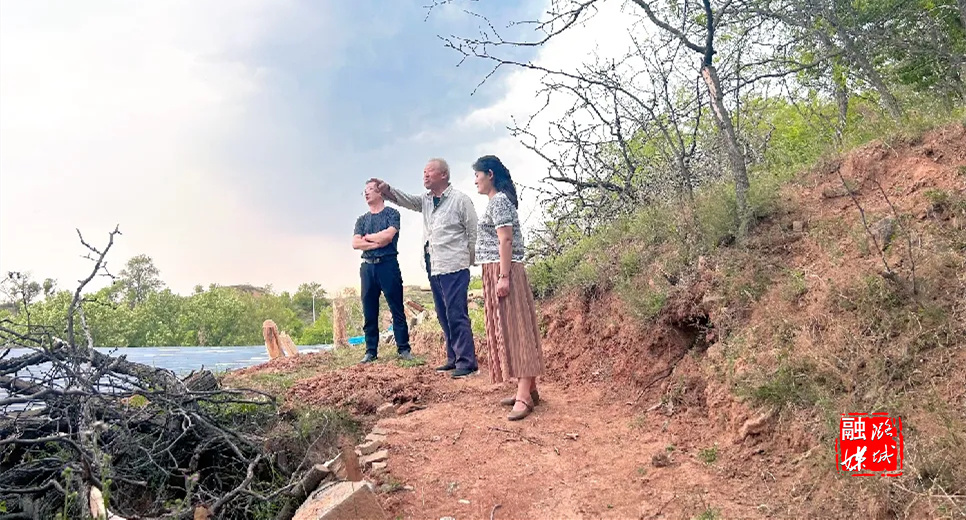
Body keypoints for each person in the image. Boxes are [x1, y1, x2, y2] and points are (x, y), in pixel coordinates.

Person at [369, 158, 479, 378]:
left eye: (429, 172)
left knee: (456, 313)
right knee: (443, 313)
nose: (425, 175)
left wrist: (468, 259)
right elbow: (406, 200)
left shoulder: (460, 200)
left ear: (443, 175)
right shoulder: (427, 201)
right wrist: (387, 190)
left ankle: (467, 362)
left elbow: (473, 232)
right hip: (434, 264)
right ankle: (453, 358)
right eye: (423, 172)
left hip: (454, 264)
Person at [472, 155, 545, 421]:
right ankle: (529, 389)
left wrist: (503, 277)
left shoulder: (499, 201)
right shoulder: (497, 201)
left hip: (505, 269)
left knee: (517, 330)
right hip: (497, 269)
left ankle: (524, 395)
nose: (475, 181)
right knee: (512, 328)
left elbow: (506, 240)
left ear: (490, 174)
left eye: (477, 175)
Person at [352, 180, 413, 364]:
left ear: (380, 193)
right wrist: (376, 242)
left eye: (370, 189)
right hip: (367, 267)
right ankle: (371, 351)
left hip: (388, 265)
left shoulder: (392, 214)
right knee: (369, 309)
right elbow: (355, 243)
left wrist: (368, 238)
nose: (366, 193)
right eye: (364, 191)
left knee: (396, 308)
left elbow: (388, 237)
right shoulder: (361, 220)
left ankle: (403, 348)